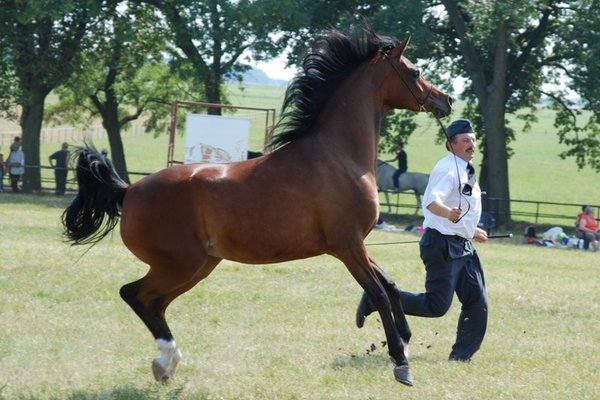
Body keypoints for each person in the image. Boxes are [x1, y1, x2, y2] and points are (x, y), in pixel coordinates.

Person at [356, 118, 489, 362]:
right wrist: (447, 213)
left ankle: (461, 358)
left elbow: (463, 204)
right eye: (464, 141)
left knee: (477, 302)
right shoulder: (448, 169)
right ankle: (377, 298)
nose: (471, 144)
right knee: (436, 307)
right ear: (450, 145)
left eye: (472, 139)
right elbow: (431, 201)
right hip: (443, 246)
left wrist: (471, 230)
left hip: (463, 245)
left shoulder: (464, 167)